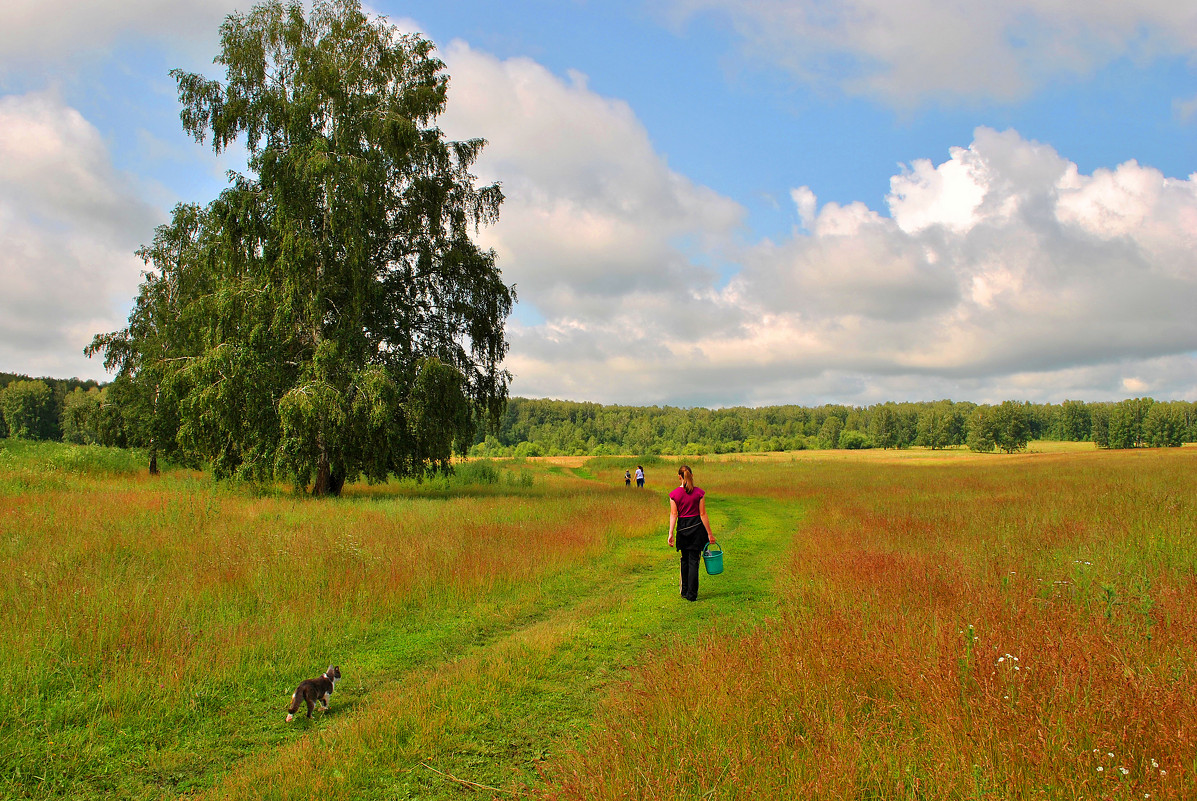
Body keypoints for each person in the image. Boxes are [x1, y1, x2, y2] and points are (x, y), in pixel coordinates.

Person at [667, 464, 716, 602]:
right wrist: (710, 534)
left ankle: (684, 590)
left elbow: (673, 514)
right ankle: (692, 594)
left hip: (682, 528)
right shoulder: (699, 493)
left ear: (679, 477)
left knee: (685, 559)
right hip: (697, 528)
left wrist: (670, 533)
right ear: (692, 476)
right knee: (694, 561)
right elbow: (703, 514)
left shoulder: (674, 495)